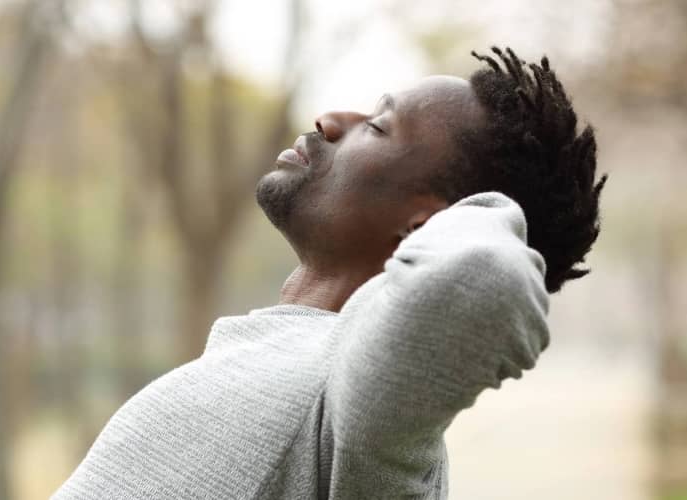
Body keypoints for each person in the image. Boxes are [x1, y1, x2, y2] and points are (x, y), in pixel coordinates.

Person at [53, 47, 607, 499]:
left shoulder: (363, 407)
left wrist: (482, 215)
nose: (331, 120)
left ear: (429, 223)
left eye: (378, 127)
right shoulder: (282, 355)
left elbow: (483, 280)